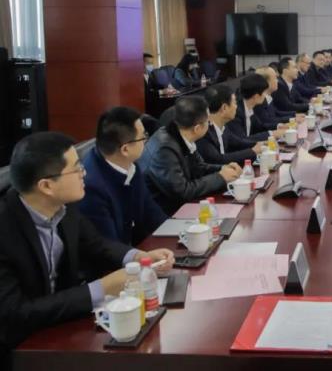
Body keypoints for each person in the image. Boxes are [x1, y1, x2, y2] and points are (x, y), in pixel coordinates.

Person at [0, 132, 174, 350]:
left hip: (60, 330)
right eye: (76, 169)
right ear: (46, 186)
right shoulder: (5, 229)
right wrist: (101, 288)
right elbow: (14, 314)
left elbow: (97, 245)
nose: (84, 173)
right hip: (20, 346)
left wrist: (137, 257)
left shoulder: (64, 206)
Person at [79, 107, 168, 245]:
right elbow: (108, 246)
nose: (146, 141)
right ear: (125, 149)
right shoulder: (92, 187)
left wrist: (180, 232)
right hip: (117, 255)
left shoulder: (130, 165)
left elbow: (151, 213)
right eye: (143, 137)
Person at [139, 96, 241, 214]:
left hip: (181, 206)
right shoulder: (165, 149)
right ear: (197, 128)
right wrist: (220, 177)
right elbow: (183, 191)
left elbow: (199, 167)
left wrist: (224, 169)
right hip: (165, 214)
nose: (210, 124)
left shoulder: (181, 133)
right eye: (208, 122)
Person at [197, 84, 267, 165]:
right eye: (234, 103)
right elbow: (218, 159)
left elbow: (238, 143)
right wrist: (253, 151)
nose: (236, 107)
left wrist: (261, 144)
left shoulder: (223, 126)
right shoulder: (204, 132)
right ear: (224, 108)